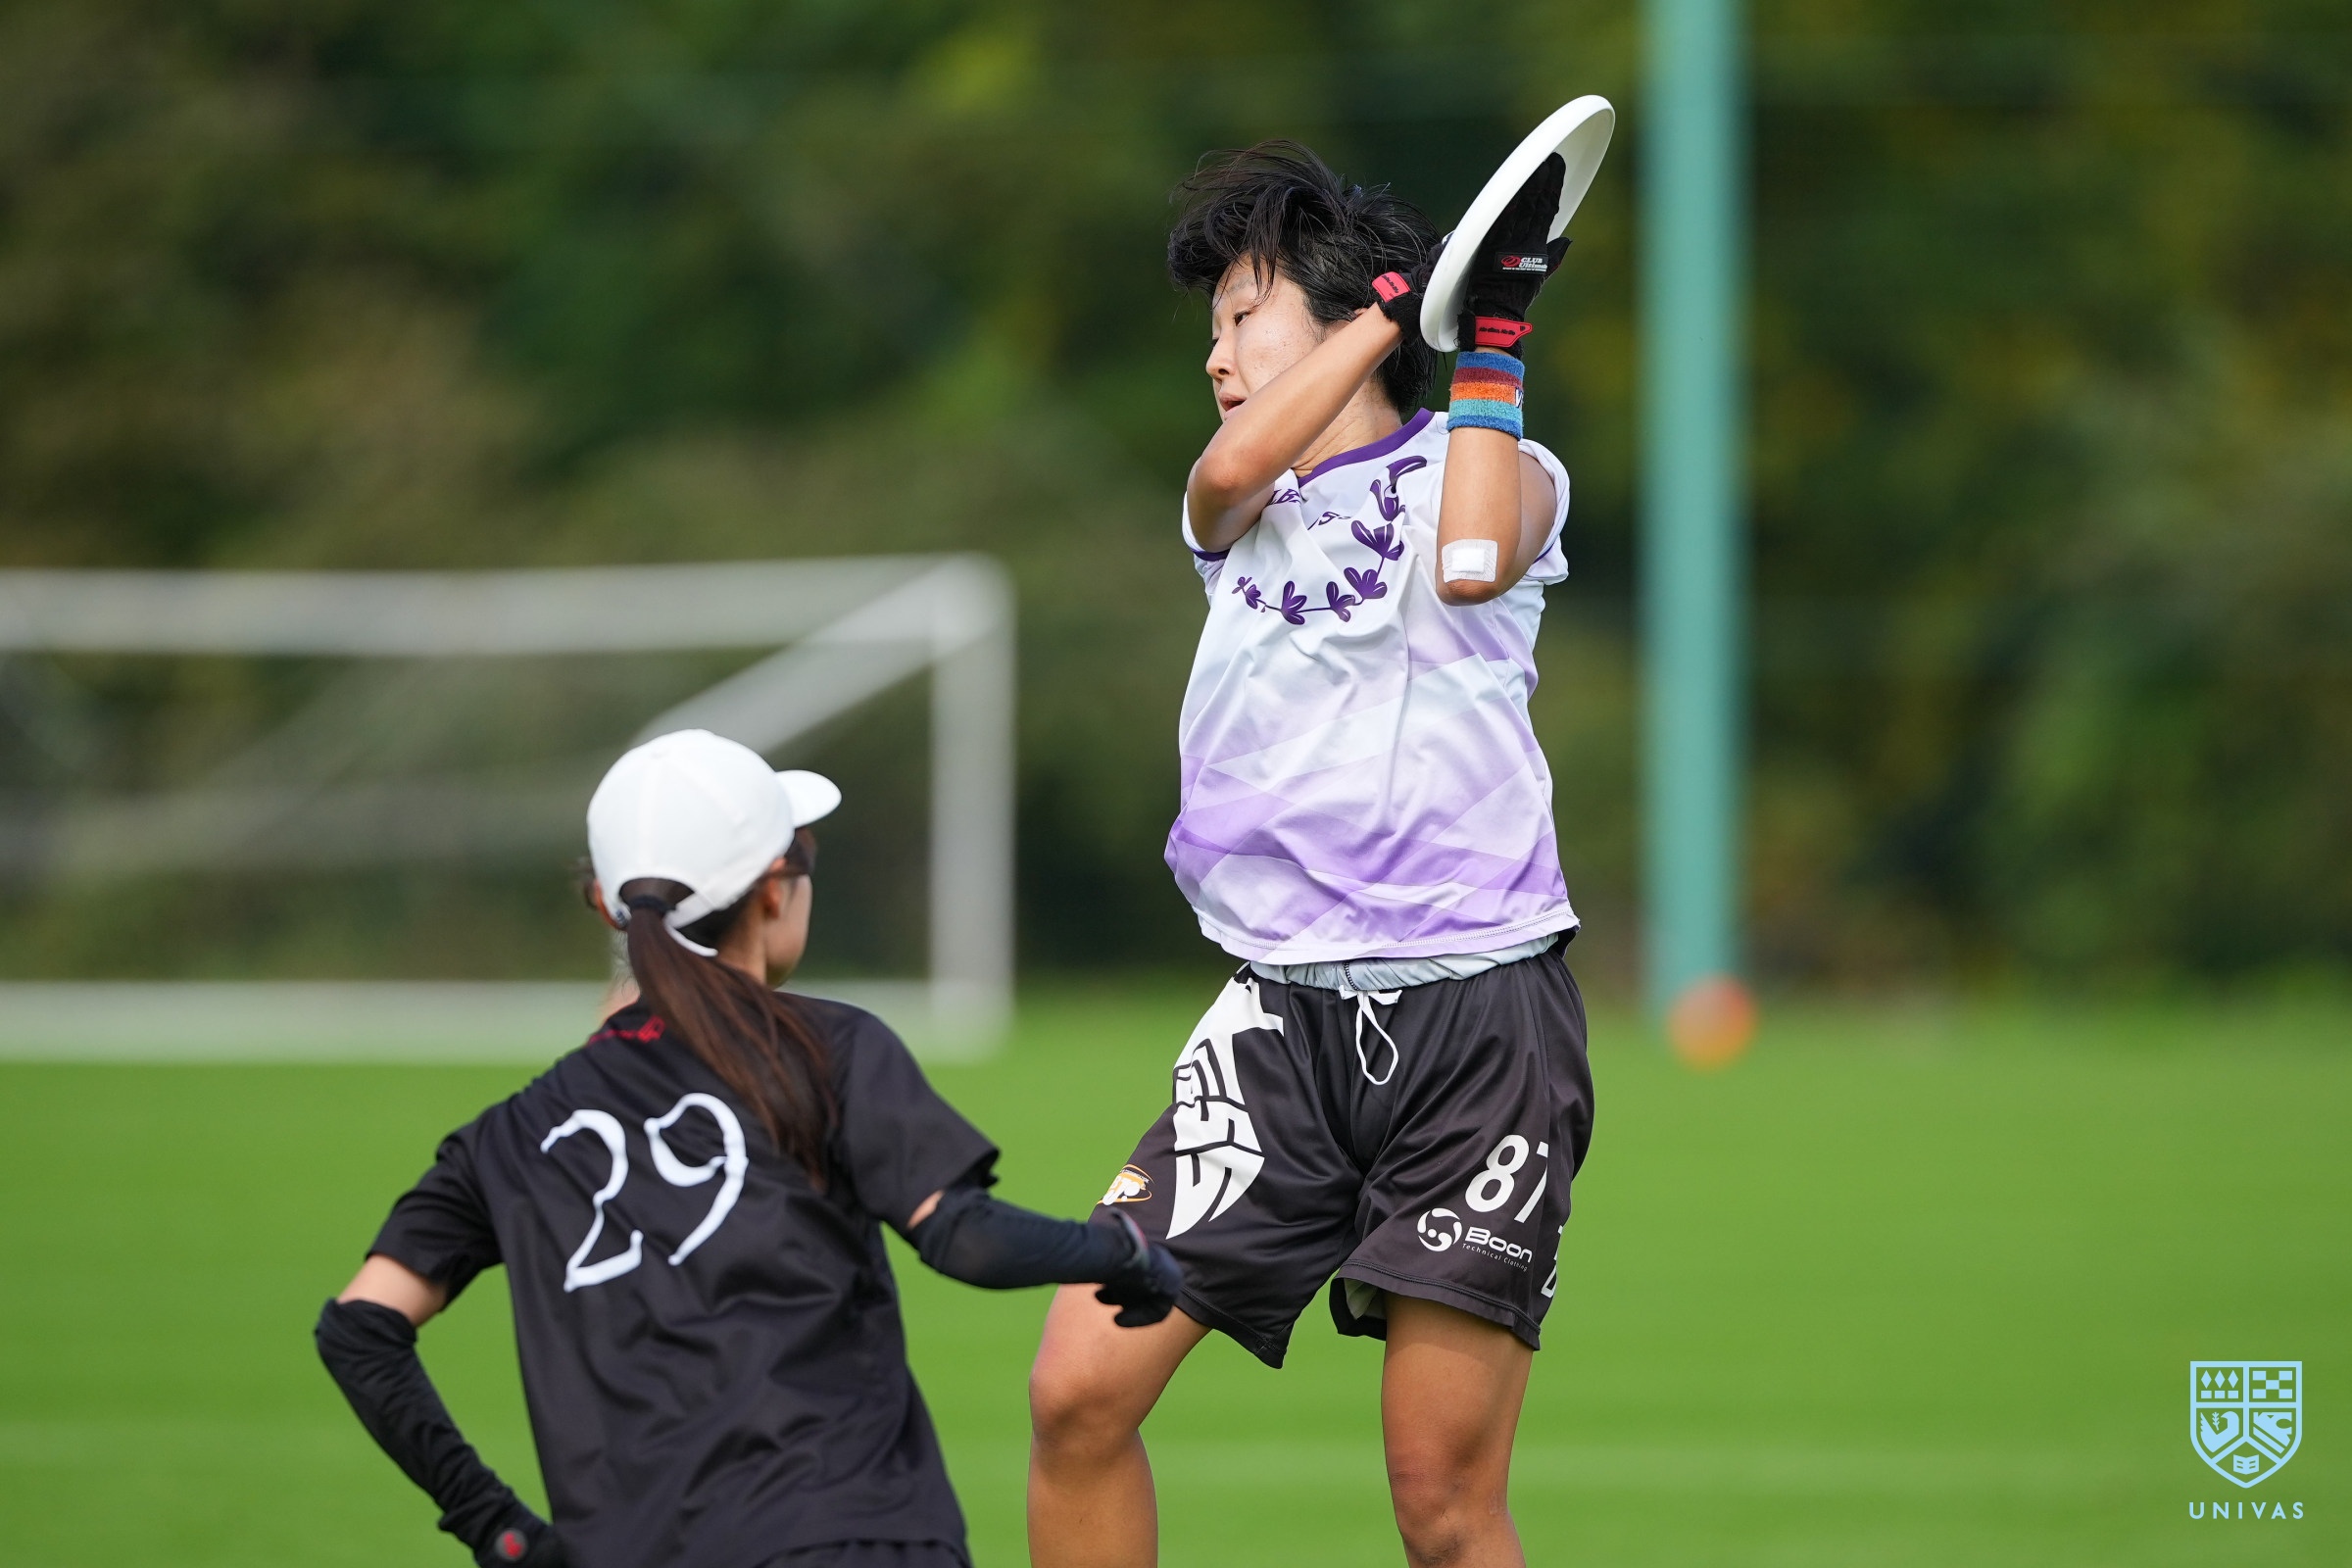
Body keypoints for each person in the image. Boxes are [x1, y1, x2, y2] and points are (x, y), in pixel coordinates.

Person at [1026, 143, 1595, 1568]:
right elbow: (1226, 469)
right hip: (1279, 1021)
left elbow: (1470, 561)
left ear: (1342, 314)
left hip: (1478, 1025)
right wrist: (1408, 307)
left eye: (1244, 318)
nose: (1216, 357)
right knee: (1076, 1393)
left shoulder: (1504, 468)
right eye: (1211, 332)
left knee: (1441, 1506)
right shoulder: (1242, 513)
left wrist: (1491, 333)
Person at [317, 728, 1181, 1568]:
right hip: (853, 1536)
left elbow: (359, 1330)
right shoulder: (826, 1049)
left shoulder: (510, 1136)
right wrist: (1123, 1253)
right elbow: (964, 1236)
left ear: (605, 905)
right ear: (774, 892)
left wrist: (497, 1529)